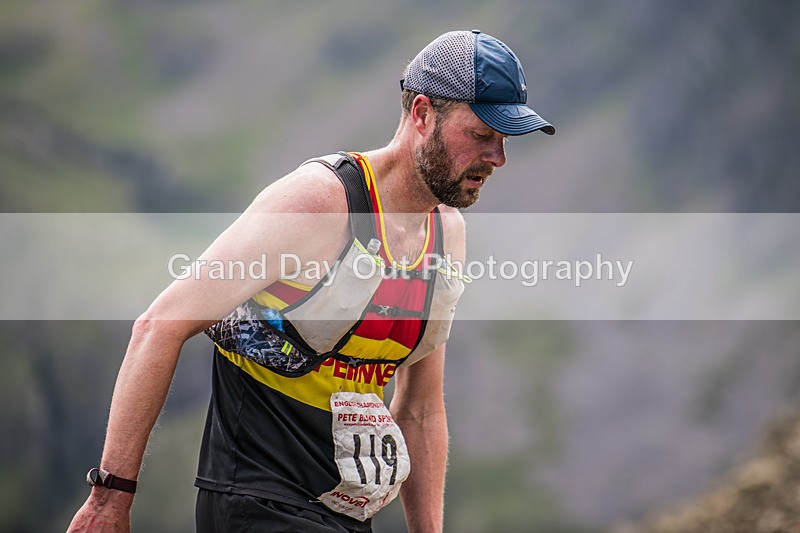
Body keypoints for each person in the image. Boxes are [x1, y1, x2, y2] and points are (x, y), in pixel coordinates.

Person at [67, 29, 554, 533]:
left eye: (505, 139)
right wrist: (110, 498)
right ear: (422, 114)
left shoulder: (446, 234)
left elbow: (421, 410)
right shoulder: (318, 202)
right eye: (480, 135)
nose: (497, 158)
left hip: (347, 515)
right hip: (256, 503)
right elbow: (159, 325)